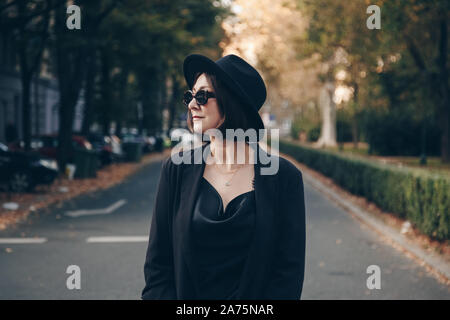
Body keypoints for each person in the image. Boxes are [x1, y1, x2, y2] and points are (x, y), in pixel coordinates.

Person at [141, 54, 306, 300]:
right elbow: (158, 269)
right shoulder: (176, 170)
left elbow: (287, 277)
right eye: (190, 96)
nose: (192, 105)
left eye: (202, 96)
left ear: (232, 102)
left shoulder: (284, 178)